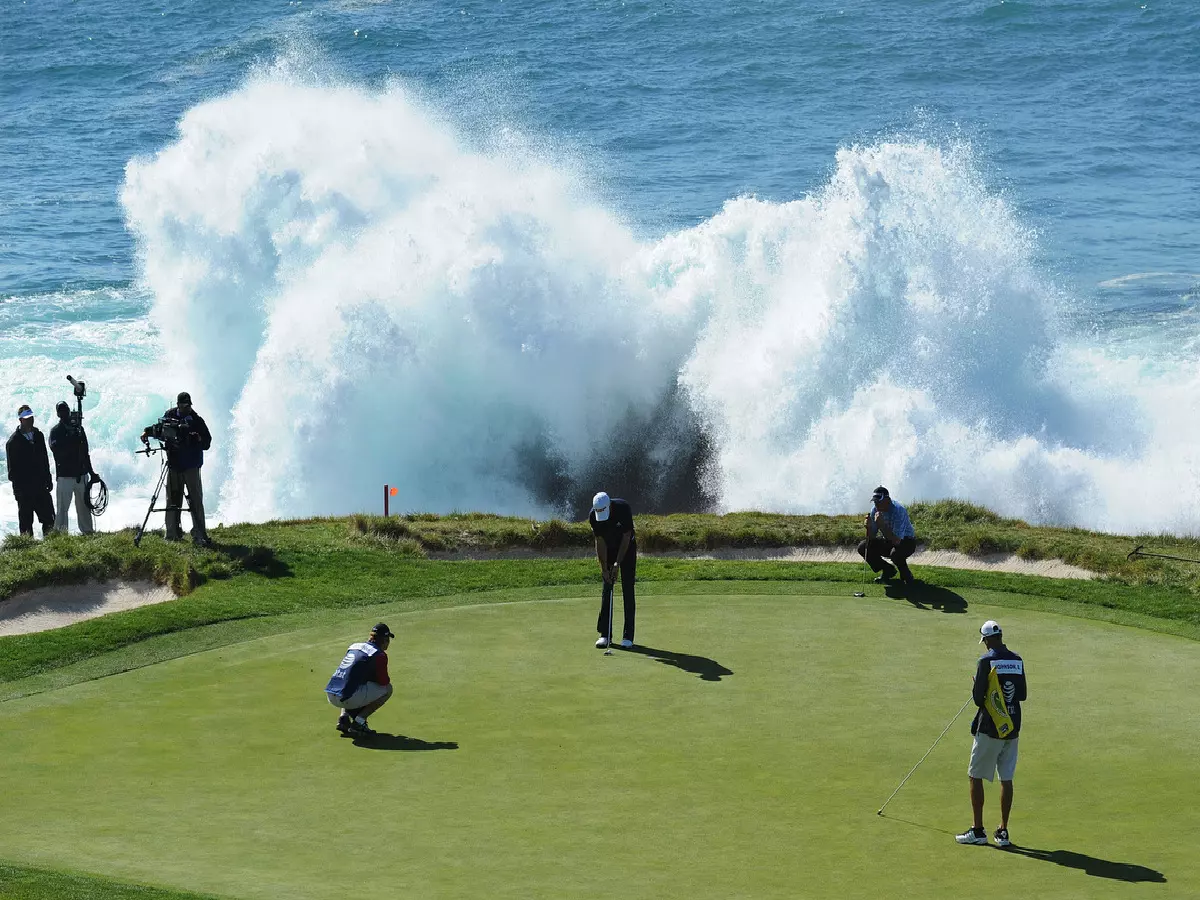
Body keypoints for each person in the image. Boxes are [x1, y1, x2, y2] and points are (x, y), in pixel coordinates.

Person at [957, 620, 1027, 847]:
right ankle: (1003, 832)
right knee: (1006, 778)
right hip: (1012, 727)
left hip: (989, 728)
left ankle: (978, 830)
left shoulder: (985, 661)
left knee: (975, 776)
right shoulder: (1017, 660)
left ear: (987, 640)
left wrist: (977, 684)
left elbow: (978, 699)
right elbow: (1022, 694)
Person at [142, 391, 212, 546]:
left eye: (189, 405)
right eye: (184, 405)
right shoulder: (169, 415)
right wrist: (147, 432)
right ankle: (172, 534)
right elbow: (160, 430)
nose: (187, 408)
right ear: (178, 404)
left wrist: (197, 439)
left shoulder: (197, 420)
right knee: (173, 499)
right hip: (174, 464)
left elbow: (207, 442)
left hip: (191, 465)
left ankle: (199, 533)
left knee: (195, 500)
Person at [325, 622, 395, 737]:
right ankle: (359, 722)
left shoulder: (353, 646)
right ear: (384, 640)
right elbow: (384, 682)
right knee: (388, 689)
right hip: (348, 698)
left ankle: (344, 718)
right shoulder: (379, 655)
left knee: (351, 682)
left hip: (331, 694)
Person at [589, 491, 637, 649]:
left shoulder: (623, 508)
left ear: (609, 505)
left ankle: (628, 636)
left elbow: (626, 537)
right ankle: (605, 634)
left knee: (627, 588)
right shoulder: (593, 516)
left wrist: (617, 564)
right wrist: (604, 568)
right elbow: (599, 542)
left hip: (627, 548)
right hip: (608, 549)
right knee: (607, 586)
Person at [5, 405, 55, 537]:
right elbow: (12, 472)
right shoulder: (13, 442)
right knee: (26, 524)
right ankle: (27, 550)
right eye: (27, 418)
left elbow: (45, 459)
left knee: (49, 519)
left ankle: (52, 546)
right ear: (20, 420)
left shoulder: (38, 436)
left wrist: (48, 478)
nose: (30, 420)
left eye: (31, 417)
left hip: (40, 486)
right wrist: (21, 490)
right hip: (24, 490)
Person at [49, 400, 95, 535]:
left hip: (81, 474)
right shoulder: (55, 431)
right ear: (58, 413)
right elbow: (57, 451)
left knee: (84, 506)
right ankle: (61, 534)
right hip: (64, 476)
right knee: (62, 508)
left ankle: (88, 532)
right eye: (61, 410)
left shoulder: (79, 429)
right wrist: (70, 440)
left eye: (66, 409)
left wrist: (91, 473)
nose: (64, 412)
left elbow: (85, 452)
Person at [857, 485, 917, 585]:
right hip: (888, 539)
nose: (876, 504)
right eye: (875, 502)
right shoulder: (875, 510)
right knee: (863, 547)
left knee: (895, 554)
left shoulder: (899, 510)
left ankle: (906, 575)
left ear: (887, 499)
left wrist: (882, 525)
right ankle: (888, 570)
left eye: (879, 501)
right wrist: (868, 527)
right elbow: (871, 537)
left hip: (907, 541)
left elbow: (897, 541)